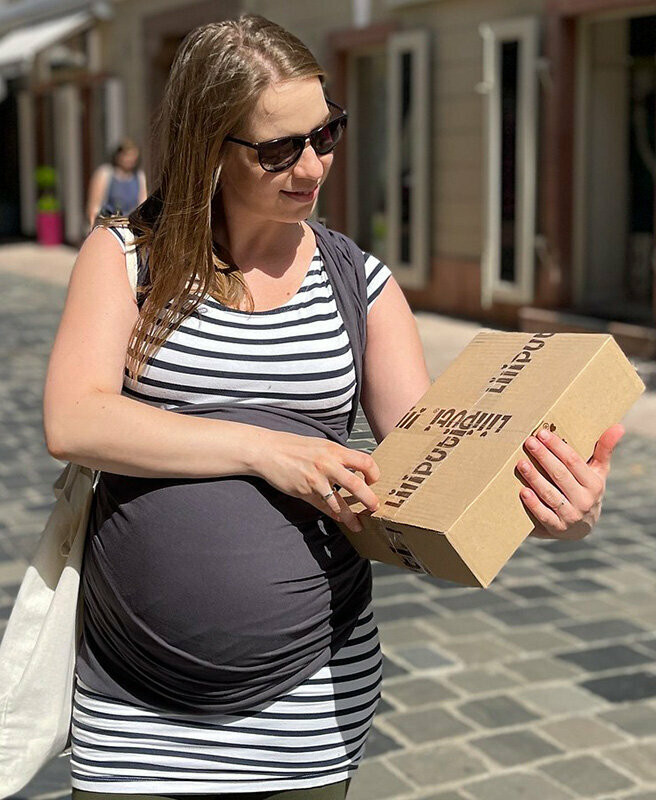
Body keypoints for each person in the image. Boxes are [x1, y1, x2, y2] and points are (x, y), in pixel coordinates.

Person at [43, 14, 623, 800]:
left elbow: (435, 473)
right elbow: (74, 419)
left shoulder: (361, 282)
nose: (313, 165)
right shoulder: (125, 258)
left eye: (326, 134)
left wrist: (555, 509)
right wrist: (267, 450)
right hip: (136, 706)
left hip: (309, 705)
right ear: (208, 145)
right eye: (280, 149)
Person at [85, 139, 148, 228]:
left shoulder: (139, 176)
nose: (130, 159)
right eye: (127, 155)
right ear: (118, 156)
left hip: (130, 225)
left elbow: (142, 204)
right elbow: (94, 206)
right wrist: (93, 227)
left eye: (133, 156)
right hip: (108, 225)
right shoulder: (105, 173)